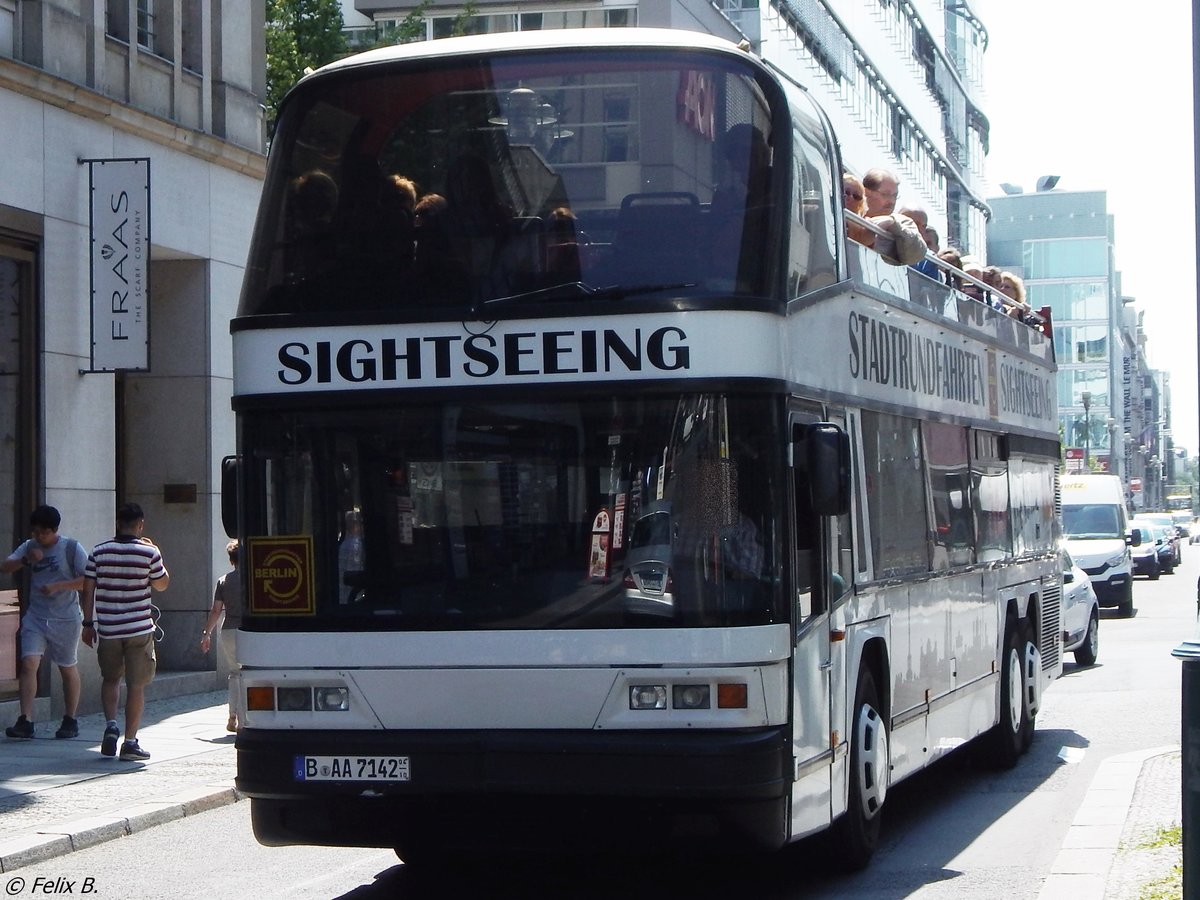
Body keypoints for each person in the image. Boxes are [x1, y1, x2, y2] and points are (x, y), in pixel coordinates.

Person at [81, 502, 170, 761]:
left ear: (118, 523)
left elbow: (88, 589)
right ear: (140, 525)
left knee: (110, 679)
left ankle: (111, 725)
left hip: (109, 628)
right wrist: (155, 552)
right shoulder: (148, 552)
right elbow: (162, 584)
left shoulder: (99, 552)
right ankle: (130, 742)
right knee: (136, 685)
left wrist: (88, 623)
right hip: (139, 628)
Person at [1, 506, 88, 740]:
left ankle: (70, 719)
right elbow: (5, 566)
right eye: (36, 532)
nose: (40, 537)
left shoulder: (71, 548)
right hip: (36, 615)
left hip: (66, 617)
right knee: (29, 663)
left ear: (55, 530)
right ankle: (26, 719)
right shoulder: (29, 546)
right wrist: (26, 559)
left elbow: (89, 580)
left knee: (66, 666)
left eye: (45, 533)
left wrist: (59, 586)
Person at [200, 540, 242, 732]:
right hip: (249, 630)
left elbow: (216, 611)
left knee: (234, 673)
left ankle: (232, 716)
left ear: (231, 560)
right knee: (248, 674)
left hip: (228, 630)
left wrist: (206, 633)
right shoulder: (254, 579)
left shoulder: (223, 580)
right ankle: (243, 718)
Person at [860, 167, 925, 265]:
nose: (892, 201)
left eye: (895, 195)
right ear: (866, 193)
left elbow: (917, 252)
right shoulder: (851, 215)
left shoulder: (902, 222)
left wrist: (893, 224)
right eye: (885, 194)